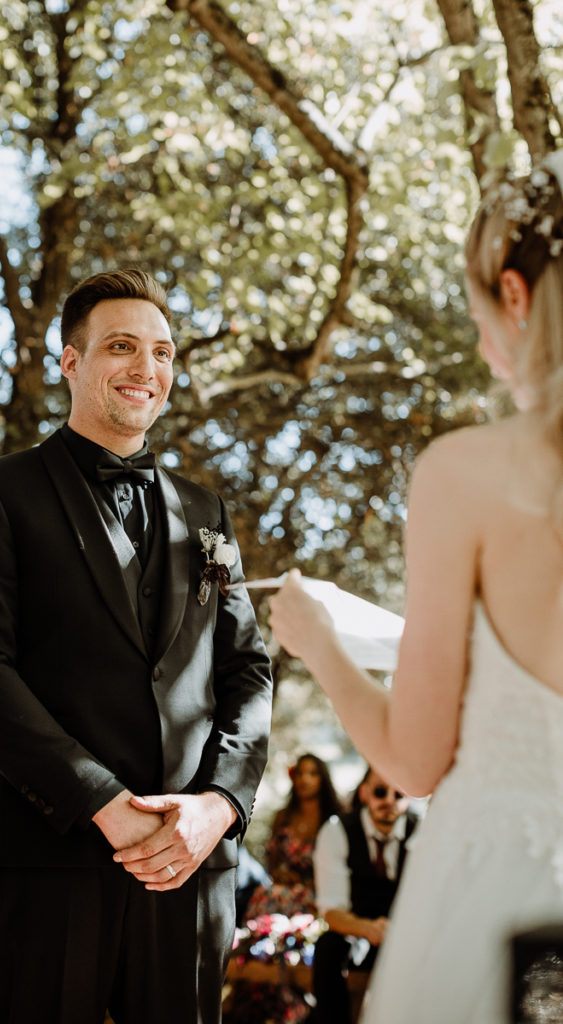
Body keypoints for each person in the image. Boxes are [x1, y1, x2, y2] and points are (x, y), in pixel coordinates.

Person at [268, 149, 563, 1024]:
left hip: (504, 903)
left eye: (478, 314)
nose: (479, 344)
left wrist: (320, 640)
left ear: (514, 296)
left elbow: (414, 758)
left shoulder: (470, 474)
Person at [0, 269, 274, 1024]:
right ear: (70, 362)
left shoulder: (205, 509)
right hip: (50, 862)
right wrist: (103, 803)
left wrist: (217, 805)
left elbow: (248, 670)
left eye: (161, 352)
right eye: (121, 347)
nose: (145, 369)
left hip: (191, 867)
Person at [310, 766, 418, 1023]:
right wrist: (370, 929)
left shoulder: (423, 831)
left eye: (399, 795)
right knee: (328, 949)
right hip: (356, 930)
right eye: (380, 792)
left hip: (407, 931)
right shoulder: (337, 831)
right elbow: (332, 911)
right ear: (365, 793)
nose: (389, 801)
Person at [244, 753, 341, 921]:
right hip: (282, 889)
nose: (305, 779)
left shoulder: (332, 819)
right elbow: (271, 860)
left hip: (319, 893)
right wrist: (281, 873)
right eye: (300, 773)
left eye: (312, 774)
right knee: (265, 895)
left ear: (322, 778)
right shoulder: (283, 817)